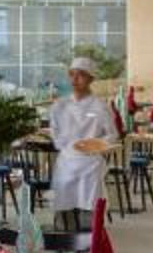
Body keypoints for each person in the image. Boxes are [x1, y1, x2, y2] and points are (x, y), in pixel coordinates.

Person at [46, 60, 114, 228]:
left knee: (89, 209)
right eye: (72, 74)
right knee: (64, 208)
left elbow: (112, 135)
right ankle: (65, 238)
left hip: (91, 163)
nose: (75, 79)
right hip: (66, 163)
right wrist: (66, 145)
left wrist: (95, 144)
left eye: (81, 75)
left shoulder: (100, 106)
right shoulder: (59, 106)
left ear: (91, 79)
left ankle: (89, 239)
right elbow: (54, 132)